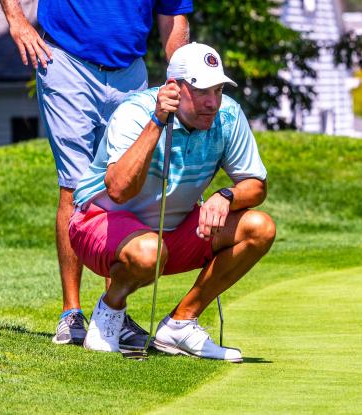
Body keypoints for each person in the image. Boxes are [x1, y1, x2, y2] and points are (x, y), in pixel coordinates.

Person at [0, 0, 192, 347]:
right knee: (77, 186)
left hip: (129, 74)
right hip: (67, 64)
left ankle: (110, 313)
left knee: (126, 186)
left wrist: (180, 70)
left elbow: (174, 16)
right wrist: (17, 21)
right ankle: (72, 313)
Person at [69, 42, 275, 361]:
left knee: (259, 227)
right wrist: (157, 121)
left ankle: (180, 323)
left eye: (218, 90)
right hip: (99, 225)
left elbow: (256, 186)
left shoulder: (229, 115)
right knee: (150, 250)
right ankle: (110, 310)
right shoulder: (135, 113)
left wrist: (226, 196)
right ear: (173, 89)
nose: (212, 102)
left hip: (171, 232)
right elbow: (119, 190)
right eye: (202, 91)